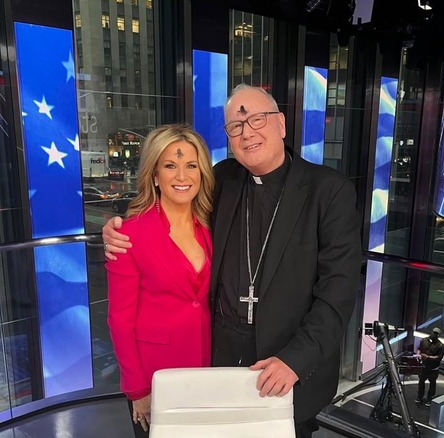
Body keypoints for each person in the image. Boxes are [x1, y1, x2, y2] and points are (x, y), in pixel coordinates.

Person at [104, 84, 361, 437]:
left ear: (281, 124)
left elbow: (339, 291)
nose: (247, 132)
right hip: (214, 362)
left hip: (283, 366)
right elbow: (170, 205)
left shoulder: (329, 190)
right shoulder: (223, 178)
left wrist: (295, 360)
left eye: (257, 119)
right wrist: (117, 229)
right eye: (235, 126)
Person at [105, 124, 215, 438]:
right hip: (156, 375)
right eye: (170, 165)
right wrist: (138, 389)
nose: (182, 176)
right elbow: (120, 320)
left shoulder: (212, 225)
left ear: (201, 172)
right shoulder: (129, 235)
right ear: (154, 175)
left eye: (191, 165)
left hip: (207, 368)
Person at [415, 327, 444, 407]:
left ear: (438, 335)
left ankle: (429, 398)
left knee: (432, 383)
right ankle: (420, 396)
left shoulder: (440, 345)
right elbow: (419, 349)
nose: (434, 335)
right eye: (433, 333)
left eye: (436, 334)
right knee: (421, 381)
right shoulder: (424, 340)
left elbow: (439, 357)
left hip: (433, 368)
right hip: (424, 366)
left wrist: (428, 357)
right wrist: (418, 354)